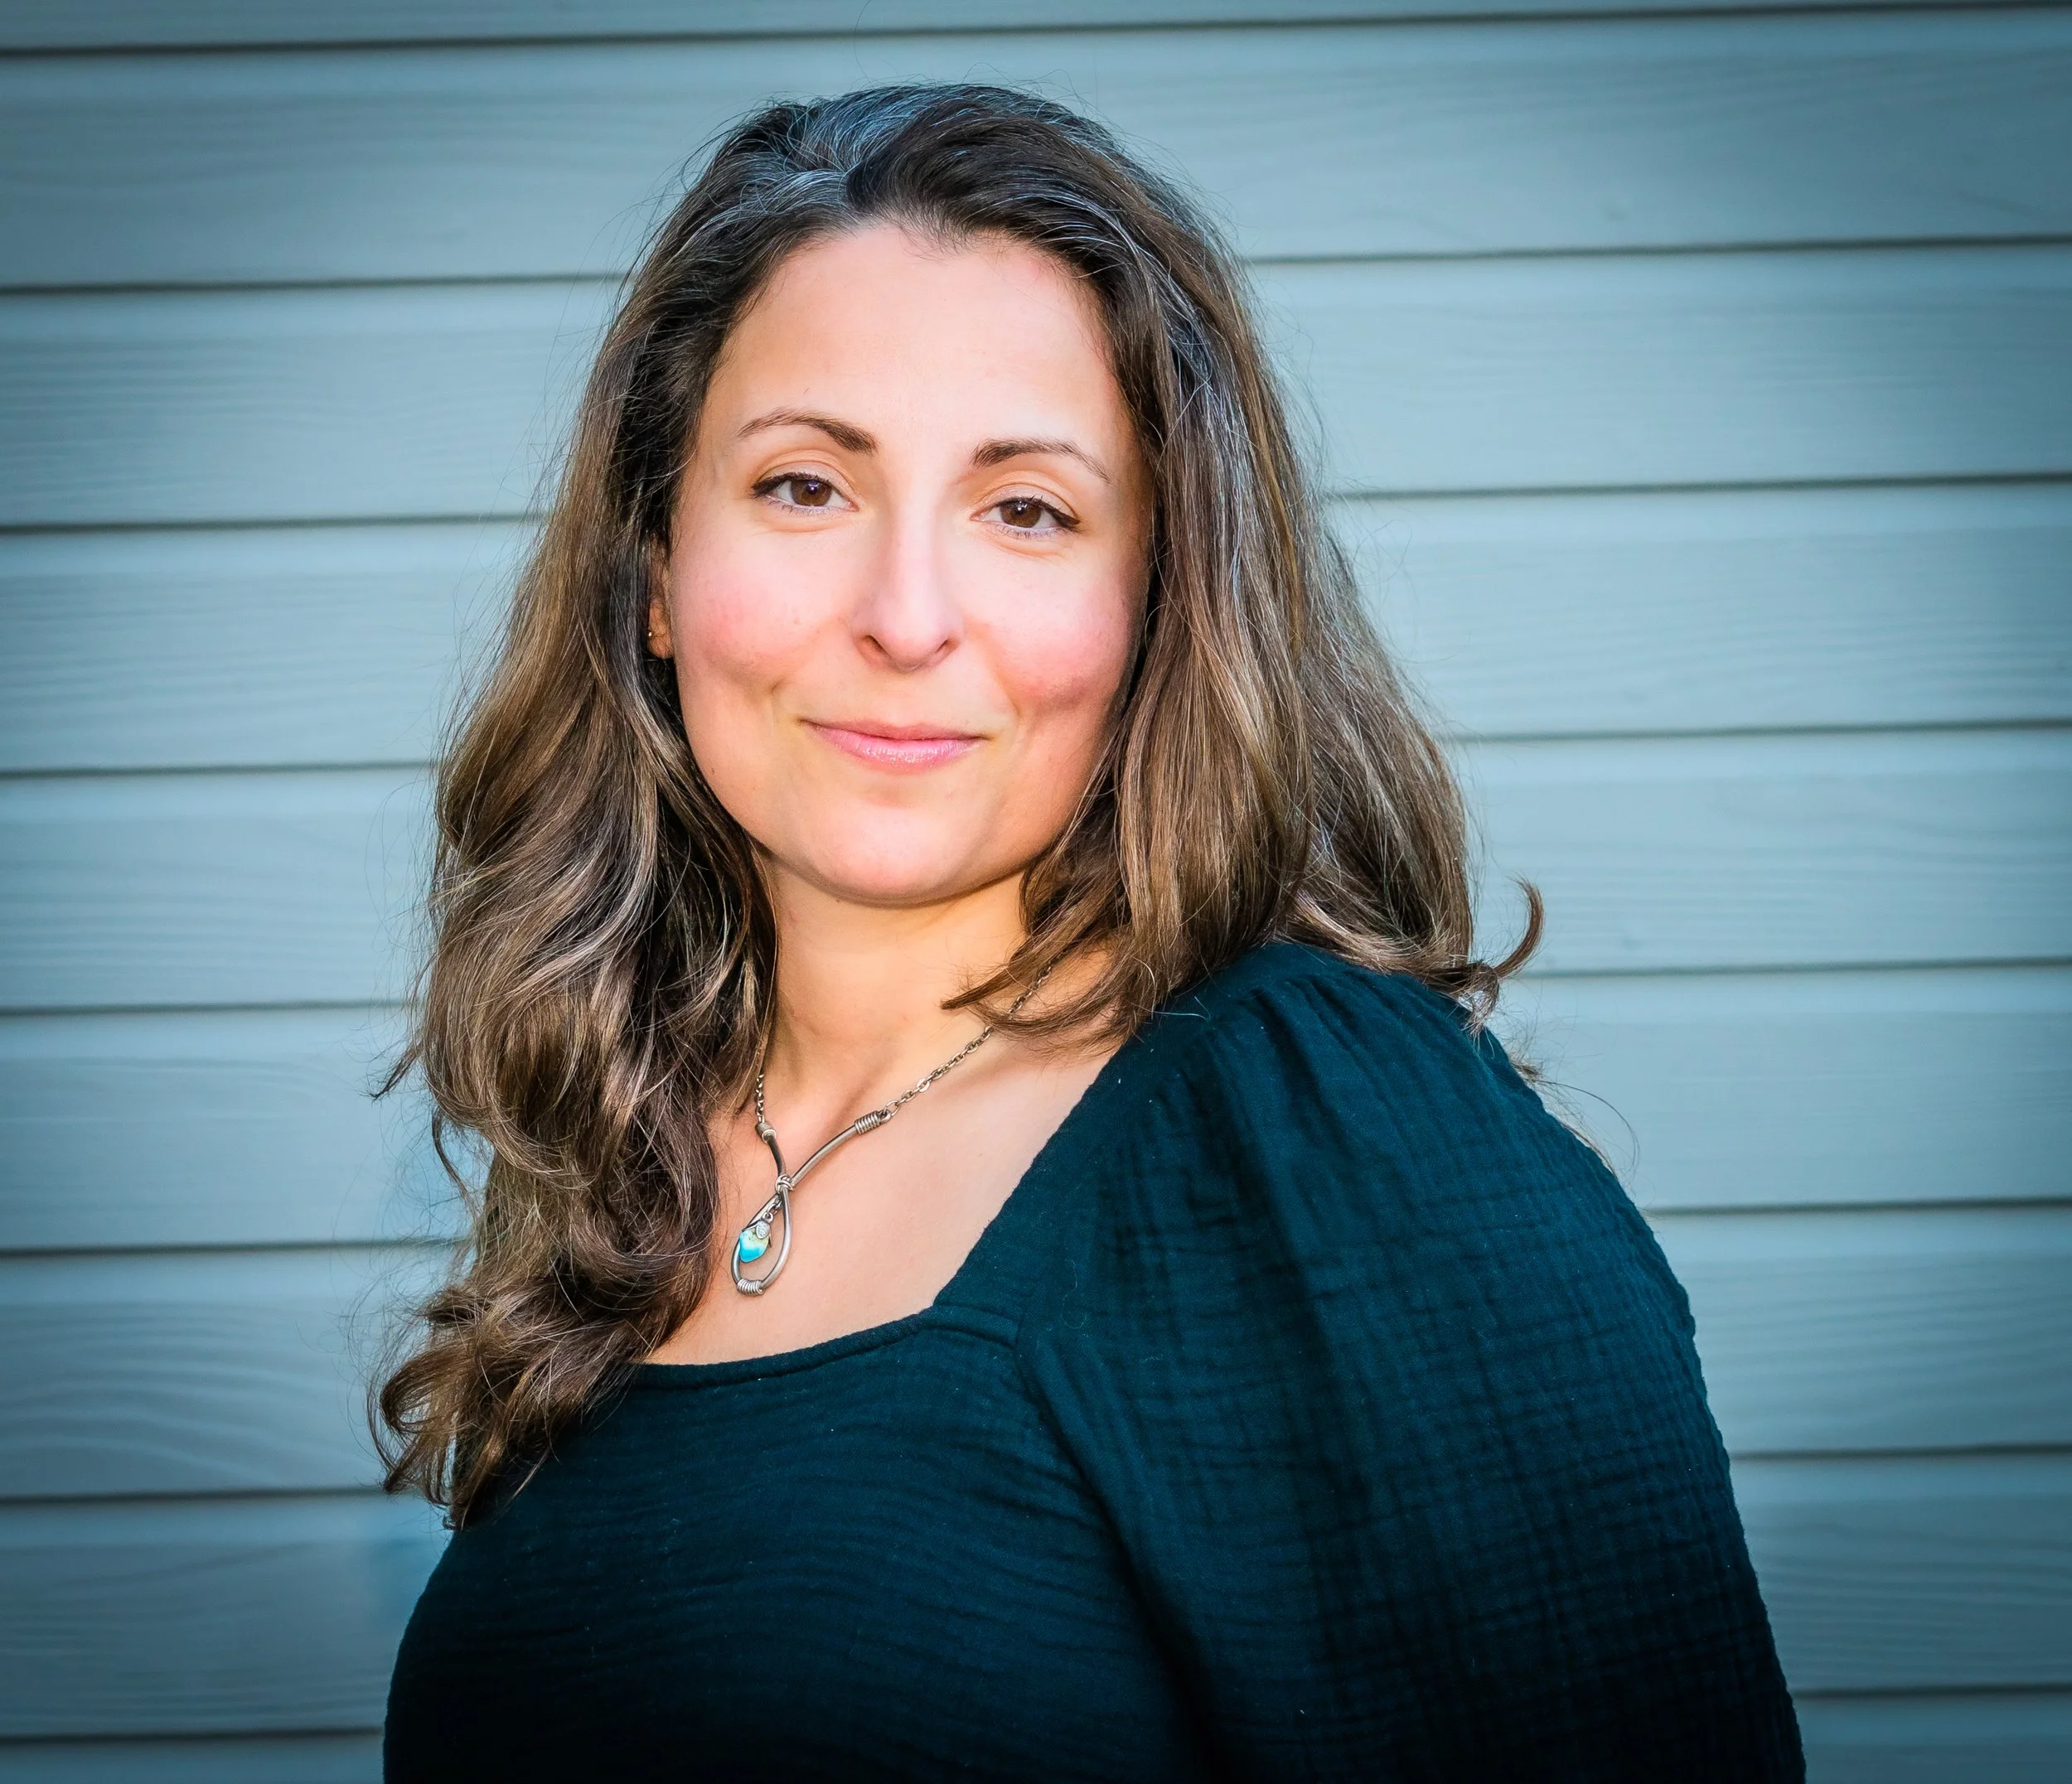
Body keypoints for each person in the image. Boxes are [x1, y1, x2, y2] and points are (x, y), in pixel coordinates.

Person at [378, 84, 1802, 1782]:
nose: (904, 616)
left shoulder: (1311, 1135)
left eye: (1027, 509)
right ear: (654, 575)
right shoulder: (630, 1163)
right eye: (804, 483)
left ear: (1153, 604)